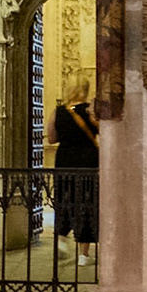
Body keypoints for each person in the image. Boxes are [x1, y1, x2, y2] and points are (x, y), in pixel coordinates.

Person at [48, 77, 99, 262]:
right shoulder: (90, 111)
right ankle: (83, 254)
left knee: (64, 198)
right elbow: (103, 130)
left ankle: (61, 238)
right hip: (88, 161)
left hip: (65, 160)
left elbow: (51, 139)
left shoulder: (58, 112)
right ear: (86, 89)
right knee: (87, 202)